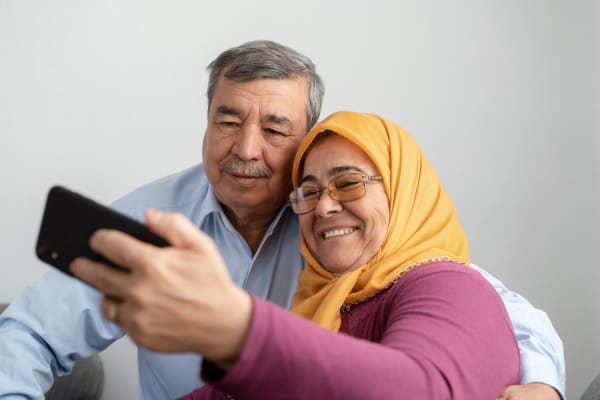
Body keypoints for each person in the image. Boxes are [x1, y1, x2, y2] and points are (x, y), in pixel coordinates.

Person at [0, 40, 564, 399]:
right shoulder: (154, 217)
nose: (246, 148)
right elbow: (30, 334)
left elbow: (474, 301)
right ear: (205, 123)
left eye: (274, 128)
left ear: (305, 140)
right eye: (228, 120)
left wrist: (542, 384)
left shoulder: (337, 224)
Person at [72, 110, 522, 399]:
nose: (324, 206)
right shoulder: (325, 301)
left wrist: (236, 330)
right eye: (307, 192)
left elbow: (421, 390)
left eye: (348, 184)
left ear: (405, 192)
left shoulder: (447, 284)